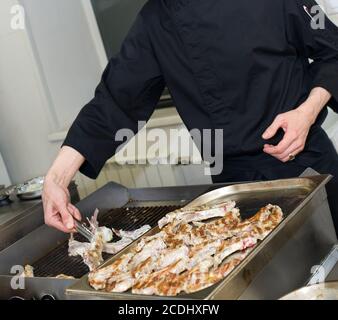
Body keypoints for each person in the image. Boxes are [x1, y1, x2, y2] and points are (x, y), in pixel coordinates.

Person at [43, 0, 338, 234]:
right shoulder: (156, 19)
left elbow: (333, 52)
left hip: (306, 166)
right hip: (233, 186)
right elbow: (114, 102)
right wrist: (56, 178)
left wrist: (307, 112)